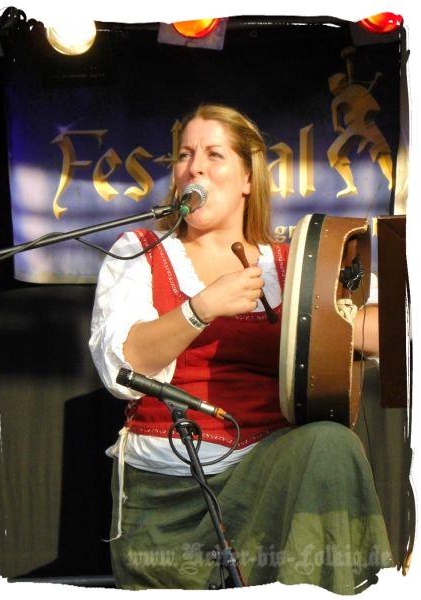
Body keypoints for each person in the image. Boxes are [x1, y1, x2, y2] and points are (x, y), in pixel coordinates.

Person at [89, 104, 393, 593]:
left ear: (248, 178)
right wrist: (199, 309)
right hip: (170, 493)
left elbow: (392, 327)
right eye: (185, 155)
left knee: (330, 444)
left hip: (271, 481)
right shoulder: (140, 250)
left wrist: (341, 324)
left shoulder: (294, 263)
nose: (195, 167)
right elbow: (123, 368)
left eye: (214, 155)